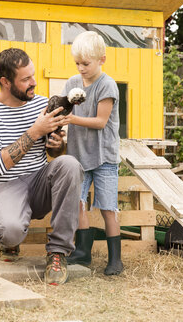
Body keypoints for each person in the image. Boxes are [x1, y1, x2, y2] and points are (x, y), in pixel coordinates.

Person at [0, 48, 84, 285]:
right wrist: (35, 131)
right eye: (25, 79)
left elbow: (54, 152)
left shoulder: (42, 104)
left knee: (69, 164)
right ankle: (10, 241)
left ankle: (58, 252)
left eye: (33, 76)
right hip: (3, 187)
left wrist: (56, 143)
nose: (34, 83)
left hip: (38, 182)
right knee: (10, 231)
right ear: (5, 81)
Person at [62, 31, 123, 275]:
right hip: (78, 154)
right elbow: (63, 111)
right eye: (77, 63)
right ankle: (83, 253)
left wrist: (72, 118)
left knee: (108, 207)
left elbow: (100, 121)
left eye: (86, 63)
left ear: (102, 60)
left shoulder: (107, 85)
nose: (81, 68)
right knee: (78, 203)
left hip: (104, 156)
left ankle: (115, 260)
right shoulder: (71, 84)